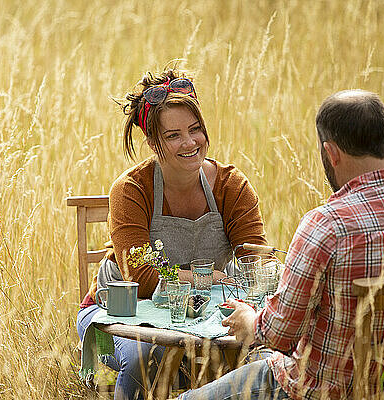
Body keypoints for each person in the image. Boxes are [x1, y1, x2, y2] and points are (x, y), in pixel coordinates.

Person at [178, 89, 384, 400]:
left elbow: (279, 334)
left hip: (311, 390)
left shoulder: (327, 225)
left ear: (331, 153)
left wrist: (249, 319)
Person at [76, 69, 268, 400]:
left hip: (204, 317)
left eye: (195, 130)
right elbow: (142, 277)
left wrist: (244, 285)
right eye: (174, 135)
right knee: (145, 358)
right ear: (153, 143)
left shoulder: (230, 185)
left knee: (257, 355)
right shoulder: (132, 189)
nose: (190, 143)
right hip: (116, 315)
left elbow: (257, 262)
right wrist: (209, 278)